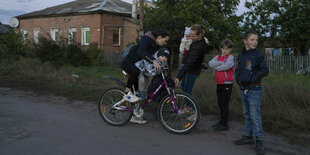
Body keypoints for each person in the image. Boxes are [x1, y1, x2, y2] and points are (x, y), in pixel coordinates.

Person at [121, 30, 170, 123]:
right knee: (135, 72)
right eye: (165, 40)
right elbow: (141, 51)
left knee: (138, 93)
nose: (165, 43)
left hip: (139, 65)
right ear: (159, 37)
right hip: (129, 62)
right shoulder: (146, 39)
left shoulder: (157, 46)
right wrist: (153, 61)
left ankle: (135, 116)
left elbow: (159, 57)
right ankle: (127, 92)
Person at [233, 31, 269, 155]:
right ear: (245, 41)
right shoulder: (241, 54)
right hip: (244, 89)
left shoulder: (258, 55)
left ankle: (259, 139)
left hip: (254, 89)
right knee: (246, 114)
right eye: (252, 39)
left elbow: (265, 70)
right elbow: (239, 68)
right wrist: (238, 78)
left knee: (255, 115)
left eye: (256, 40)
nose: (254, 42)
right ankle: (248, 136)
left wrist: (253, 78)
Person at [175, 24, 208, 98]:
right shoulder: (197, 40)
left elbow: (189, 62)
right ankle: (187, 107)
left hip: (193, 70)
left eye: (193, 36)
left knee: (187, 91)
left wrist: (179, 77)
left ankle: (192, 108)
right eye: (190, 35)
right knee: (183, 87)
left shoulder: (198, 47)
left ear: (200, 35)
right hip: (189, 69)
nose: (191, 38)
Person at [208, 38, 234, 131]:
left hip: (227, 84)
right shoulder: (218, 57)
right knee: (220, 103)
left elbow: (227, 66)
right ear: (221, 49)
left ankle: (225, 124)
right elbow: (210, 64)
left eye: (227, 49)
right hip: (219, 83)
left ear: (230, 49)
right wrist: (219, 63)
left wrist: (217, 68)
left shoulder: (230, 57)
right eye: (223, 48)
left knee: (224, 104)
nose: (225, 50)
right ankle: (221, 121)